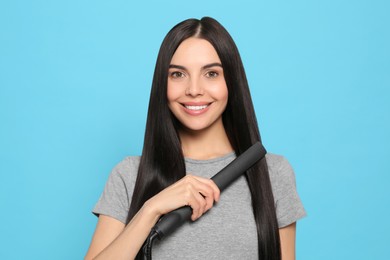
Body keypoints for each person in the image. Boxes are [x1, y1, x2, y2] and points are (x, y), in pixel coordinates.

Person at [85, 17, 306, 260]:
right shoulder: (129, 175)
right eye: (178, 74)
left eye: (211, 73)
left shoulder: (273, 173)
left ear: (231, 81)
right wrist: (151, 209)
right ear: (163, 84)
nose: (194, 89)